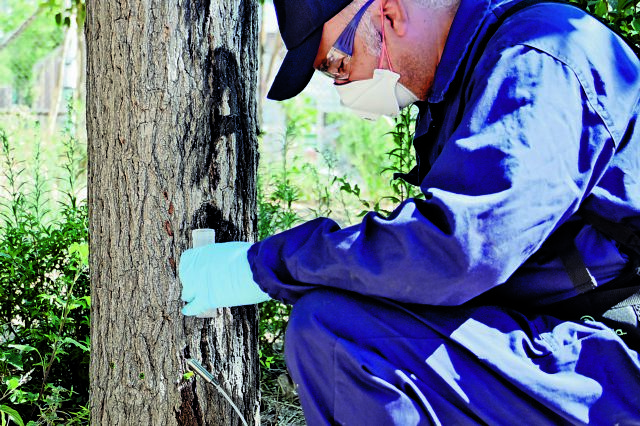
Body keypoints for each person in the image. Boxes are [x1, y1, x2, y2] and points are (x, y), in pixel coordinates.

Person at [179, 0, 640, 423]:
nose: (346, 88)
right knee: (342, 323)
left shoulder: (537, 60)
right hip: (565, 342)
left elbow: (458, 250)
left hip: (615, 366)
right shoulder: (464, 82)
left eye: (339, 64)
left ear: (391, 14)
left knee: (336, 336)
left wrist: (265, 266)